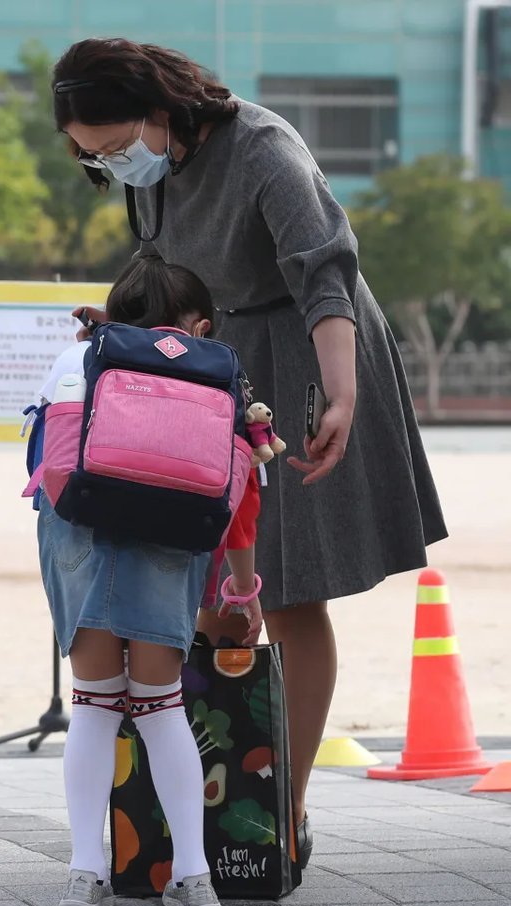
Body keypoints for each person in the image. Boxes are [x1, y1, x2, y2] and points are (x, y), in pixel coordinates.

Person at [51, 38, 447, 863]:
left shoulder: (263, 149)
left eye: (116, 147)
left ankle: (284, 811)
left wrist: (340, 395)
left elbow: (325, 272)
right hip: (212, 363)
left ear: (161, 113)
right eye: (94, 159)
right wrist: (119, 330)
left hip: (305, 351)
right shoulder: (154, 173)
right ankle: (209, 798)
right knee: (202, 585)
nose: (112, 166)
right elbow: (164, 275)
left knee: (292, 590)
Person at [39, 256, 262, 906]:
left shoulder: (76, 361)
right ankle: (193, 879)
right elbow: (238, 497)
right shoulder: (217, 376)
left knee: (95, 706)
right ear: (197, 323)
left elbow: (52, 471)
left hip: (83, 539)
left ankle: (85, 872)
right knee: (161, 706)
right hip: (169, 544)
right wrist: (241, 589)